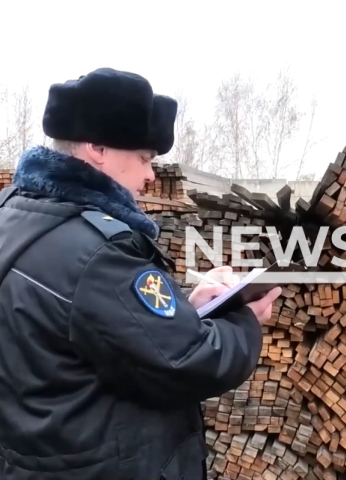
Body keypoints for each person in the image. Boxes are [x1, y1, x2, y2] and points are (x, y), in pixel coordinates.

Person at [0, 67, 281, 480]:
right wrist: (244, 319)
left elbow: (95, 325)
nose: (151, 175)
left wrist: (187, 305)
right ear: (97, 146)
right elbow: (185, 361)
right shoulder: (97, 252)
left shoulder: (15, 214)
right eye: (143, 158)